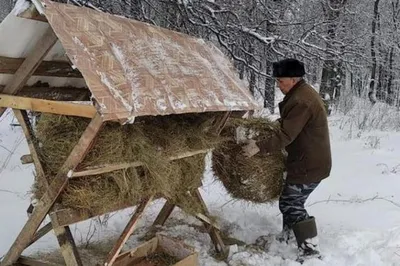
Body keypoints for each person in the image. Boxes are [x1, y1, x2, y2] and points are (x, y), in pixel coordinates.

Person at [242, 58, 332, 262]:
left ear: (293, 79)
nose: (278, 85)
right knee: (291, 201)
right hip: (307, 159)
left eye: (281, 81)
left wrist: (258, 146)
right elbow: (289, 124)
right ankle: (289, 235)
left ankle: (310, 250)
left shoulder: (302, 100)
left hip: (309, 163)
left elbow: (286, 134)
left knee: (291, 203)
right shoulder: (300, 94)